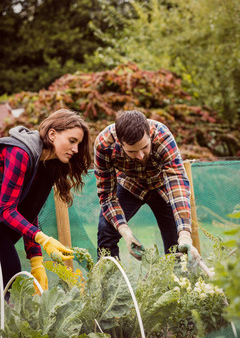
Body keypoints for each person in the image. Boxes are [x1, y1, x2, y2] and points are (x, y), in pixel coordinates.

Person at [0, 108, 91, 297]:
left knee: (12, 284)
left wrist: (36, 261)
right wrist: (43, 238)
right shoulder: (20, 153)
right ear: (52, 134)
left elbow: (28, 212)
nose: (75, 149)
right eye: (72, 141)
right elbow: (6, 210)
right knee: (11, 280)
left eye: (78, 144)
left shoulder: (47, 166)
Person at [94, 110, 200, 263]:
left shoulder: (162, 136)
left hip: (161, 185)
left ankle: (178, 284)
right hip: (130, 184)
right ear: (120, 142)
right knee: (106, 229)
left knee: (177, 244)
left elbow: (177, 183)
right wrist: (126, 233)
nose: (140, 156)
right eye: (132, 151)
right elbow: (107, 196)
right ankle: (109, 283)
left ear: (149, 134)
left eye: (144, 147)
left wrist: (184, 235)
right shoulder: (104, 145)